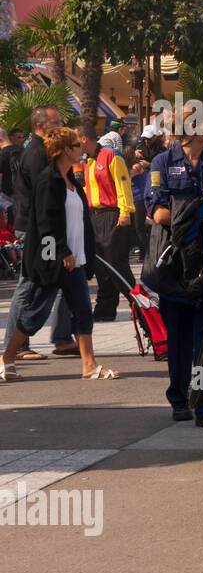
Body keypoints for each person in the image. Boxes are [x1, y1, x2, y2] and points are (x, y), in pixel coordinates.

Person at [1, 127, 117, 382]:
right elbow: (46, 222)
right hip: (53, 260)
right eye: (77, 145)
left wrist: (82, 253)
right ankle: (7, 357)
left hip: (74, 260)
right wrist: (61, 253)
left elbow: (78, 221)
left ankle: (89, 365)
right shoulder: (48, 180)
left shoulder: (71, 179)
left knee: (83, 310)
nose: (82, 148)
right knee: (36, 313)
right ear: (66, 149)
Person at [146, 127, 203, 424]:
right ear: (193, 129)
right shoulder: (161, 162)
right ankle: (178, 398)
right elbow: (156, 212)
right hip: (176, 261)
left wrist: (186, 211)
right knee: (179, 336)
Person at [5, 107, 76, 359]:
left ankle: (62, 338)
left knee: (62, 280)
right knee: (31, 283)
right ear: (40, 126)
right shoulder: (36, 153)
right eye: (54, 122)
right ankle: (16, 346)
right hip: (36, 230)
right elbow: (44, 197)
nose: (59, 126)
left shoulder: (41, 151)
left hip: (40, 228)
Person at [76, 121, 136, 321]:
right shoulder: (87, 161)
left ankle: (138, 304)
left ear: (84, 139)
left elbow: (123, 184)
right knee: (101, 264)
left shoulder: (111, 155)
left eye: (76, 140)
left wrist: (125, 212)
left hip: (113, 214)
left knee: (116, 263)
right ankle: (105, 308)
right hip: (95, 216)